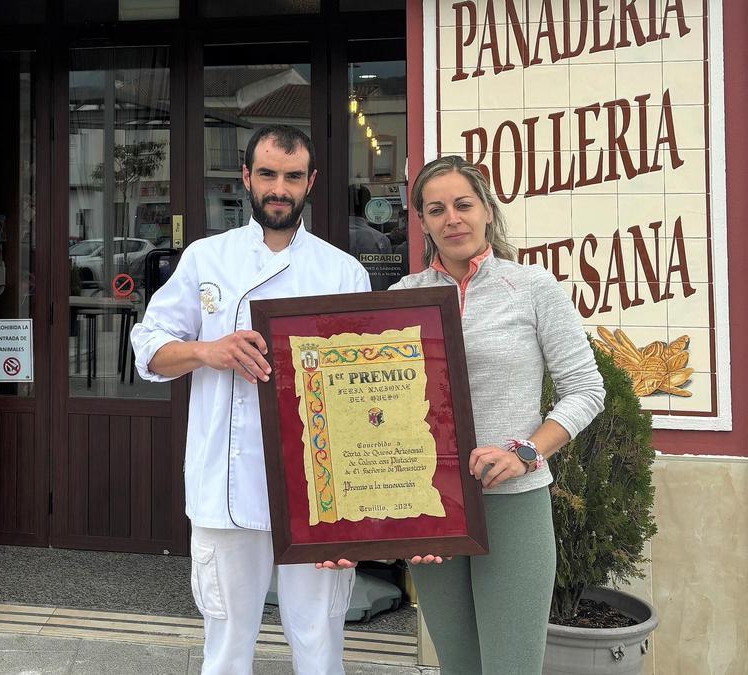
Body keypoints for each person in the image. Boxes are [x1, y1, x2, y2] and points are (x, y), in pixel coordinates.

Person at [130, 125, 371, 674]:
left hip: (319, 489)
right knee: (226, 642)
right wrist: (207, 350)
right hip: (226, 481)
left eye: (291, 177)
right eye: (267, 175)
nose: (279, 189)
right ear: (246, 178)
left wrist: (358, 508)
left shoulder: (341, 271)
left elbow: (365, 398)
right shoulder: (205, 258)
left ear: (311, 182)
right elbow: (148, 348)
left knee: (318, 639)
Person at [393, 155, 605, 674]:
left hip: (511, 503)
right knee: (458, 665)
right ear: (422, 221)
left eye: (464, 204)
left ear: (487, 210)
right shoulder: (403, 298)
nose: (452, 219)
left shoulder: (531, 288)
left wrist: (526, 452)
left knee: (511, 664)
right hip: (433, 506)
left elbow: (586, 390)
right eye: (436, 209)